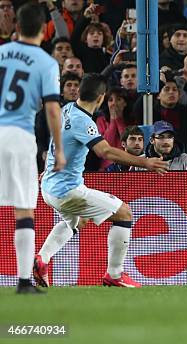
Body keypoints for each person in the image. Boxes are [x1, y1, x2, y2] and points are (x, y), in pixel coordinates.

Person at [33, 74, 169, 289]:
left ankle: (42, 259)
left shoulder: (67, 109)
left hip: (49, 185)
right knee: (124, 213)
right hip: (67, 190)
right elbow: (104, 151)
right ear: (101, 98)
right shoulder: (84, 122)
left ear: (79, 92)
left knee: (79, 221)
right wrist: (146, 162)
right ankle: (114, 275)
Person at [0, 3, 65, 294]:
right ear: (43, 30)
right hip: (18, 137)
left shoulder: (0, 54)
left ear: (16, 26)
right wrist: (58, 149)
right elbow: (52, 109)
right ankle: (24, 281)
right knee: (24, 209)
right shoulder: (46, 62)